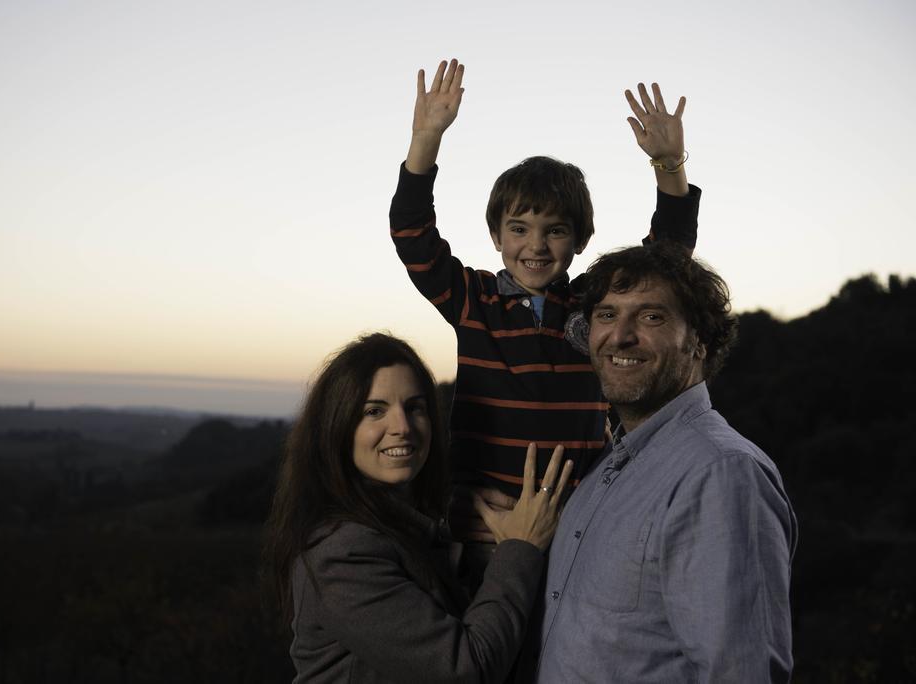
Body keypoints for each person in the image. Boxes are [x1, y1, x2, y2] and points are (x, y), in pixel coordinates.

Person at [389, 60, 702, 561]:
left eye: (555, 230)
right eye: (518, 228)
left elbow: (664, 262)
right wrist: (426, 139)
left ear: (579, 240)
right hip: (482, 533)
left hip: (579, 532)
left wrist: (670, 167)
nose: (535, 245)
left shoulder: (593, 307)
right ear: (495, 235)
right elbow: (412, 232)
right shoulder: (473, 299)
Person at [527, 243, 798, 682]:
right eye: (607, 314)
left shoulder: (720, 473)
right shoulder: (603, 467)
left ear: (700, 342)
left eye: (651, 316)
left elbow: (738, 672)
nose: (620, 336)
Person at [261, 333, 574, 683]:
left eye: (414, 407)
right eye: (374, 411)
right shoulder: (342, 554)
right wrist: (522, 548)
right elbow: (467, 668)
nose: (402, 427)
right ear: (338, 427)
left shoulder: (408, 527)